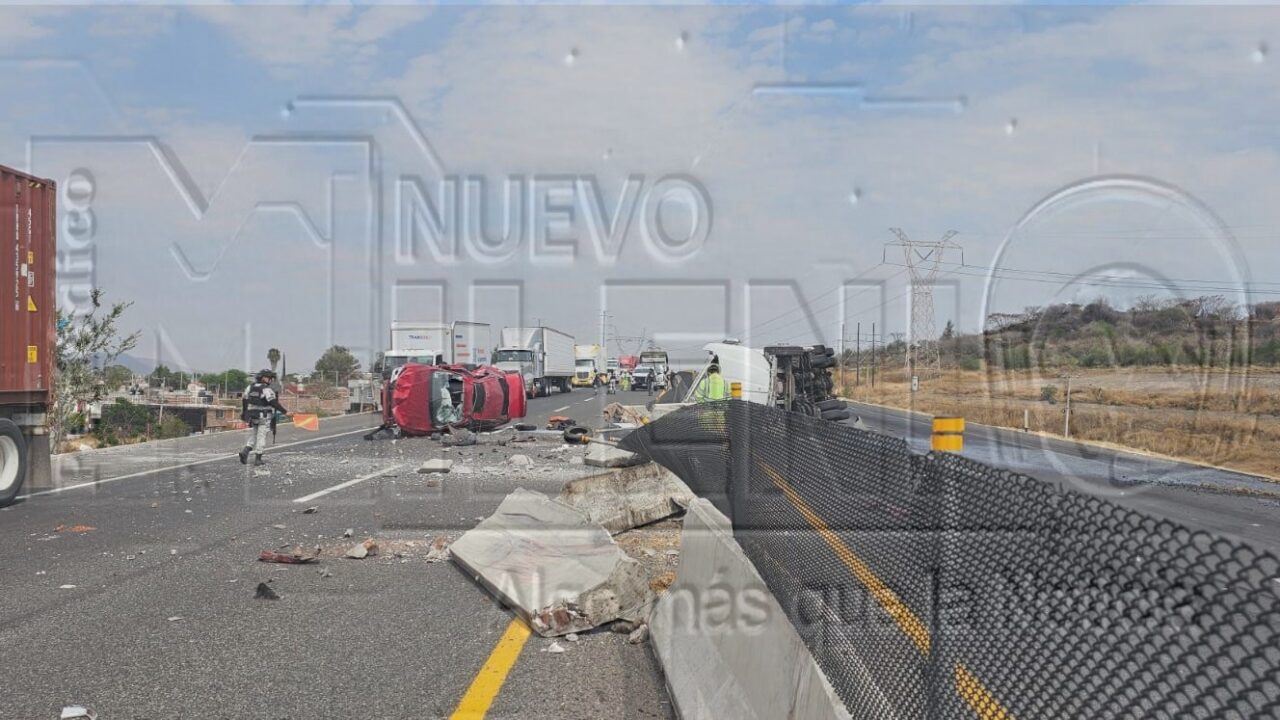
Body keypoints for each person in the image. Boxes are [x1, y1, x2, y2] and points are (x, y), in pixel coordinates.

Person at [240, 369, 289, 465]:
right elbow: (273, 402)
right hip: (264, 416)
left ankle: (245, 451)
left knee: (255, 434)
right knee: (261, 436)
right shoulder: (266, 389)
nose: (270, 380)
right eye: (269, 378)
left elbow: (244, 400)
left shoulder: (250, 387)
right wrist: (285, 412)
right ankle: (258, 459)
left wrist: (244, 412)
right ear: (264, 378)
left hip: (253, 415)